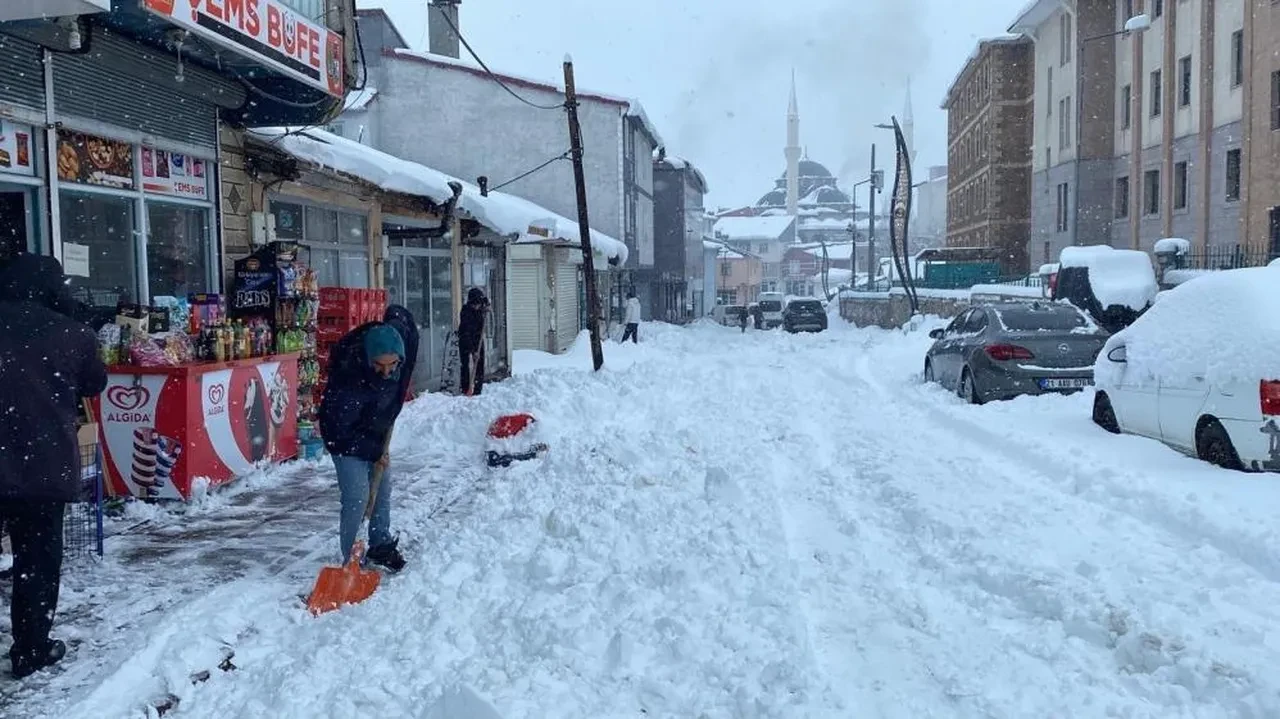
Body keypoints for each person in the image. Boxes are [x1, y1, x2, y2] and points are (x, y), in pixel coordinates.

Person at [0, 256, 107, 678]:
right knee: (37, 561)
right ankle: (30, 648)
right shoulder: (70, 333)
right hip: (40, 465)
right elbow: (93, 384)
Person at [318, 306, 419, 573]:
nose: (387, 372)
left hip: (376, 431)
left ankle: (380, 545)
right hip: (345, 440)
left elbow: (405, 325)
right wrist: (373, 451)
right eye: (379, 366)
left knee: (382, 490)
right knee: (358, 496)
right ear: (367, 358)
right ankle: (352, 559)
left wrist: (399, 316)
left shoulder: (401, 352)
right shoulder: (348, 378)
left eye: (392, 365)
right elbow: (338, 431)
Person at [457, 288, 489, 396]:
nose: (477, 307)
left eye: (479, 304)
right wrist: (473, 351)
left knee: (480, 364)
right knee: (465, 364)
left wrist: (487, 305)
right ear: (471, 303)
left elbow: (485, 301)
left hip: (478, 338)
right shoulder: (466, 313)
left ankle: (477, 390)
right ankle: (465, 388)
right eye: (475, 304)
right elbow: (465, 334)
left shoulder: (480, 305)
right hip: (465, 339)